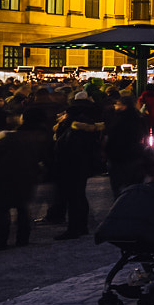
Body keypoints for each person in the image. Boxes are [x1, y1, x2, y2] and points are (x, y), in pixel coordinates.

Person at [0, 110, 46, 249]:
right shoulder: (30, 141)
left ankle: (1, 241)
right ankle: (23, 238)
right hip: (25, 180)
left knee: (2, 211)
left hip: (4, 181)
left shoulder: (1, 143)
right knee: (22, 209)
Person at [50, 98, 105, 241]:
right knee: (79, 195)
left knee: (74, 197)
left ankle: (74, 228)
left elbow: (70, 149)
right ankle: (82, 226)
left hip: (72, 166)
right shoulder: (86, 126)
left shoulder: (75, 129)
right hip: (81, 166)